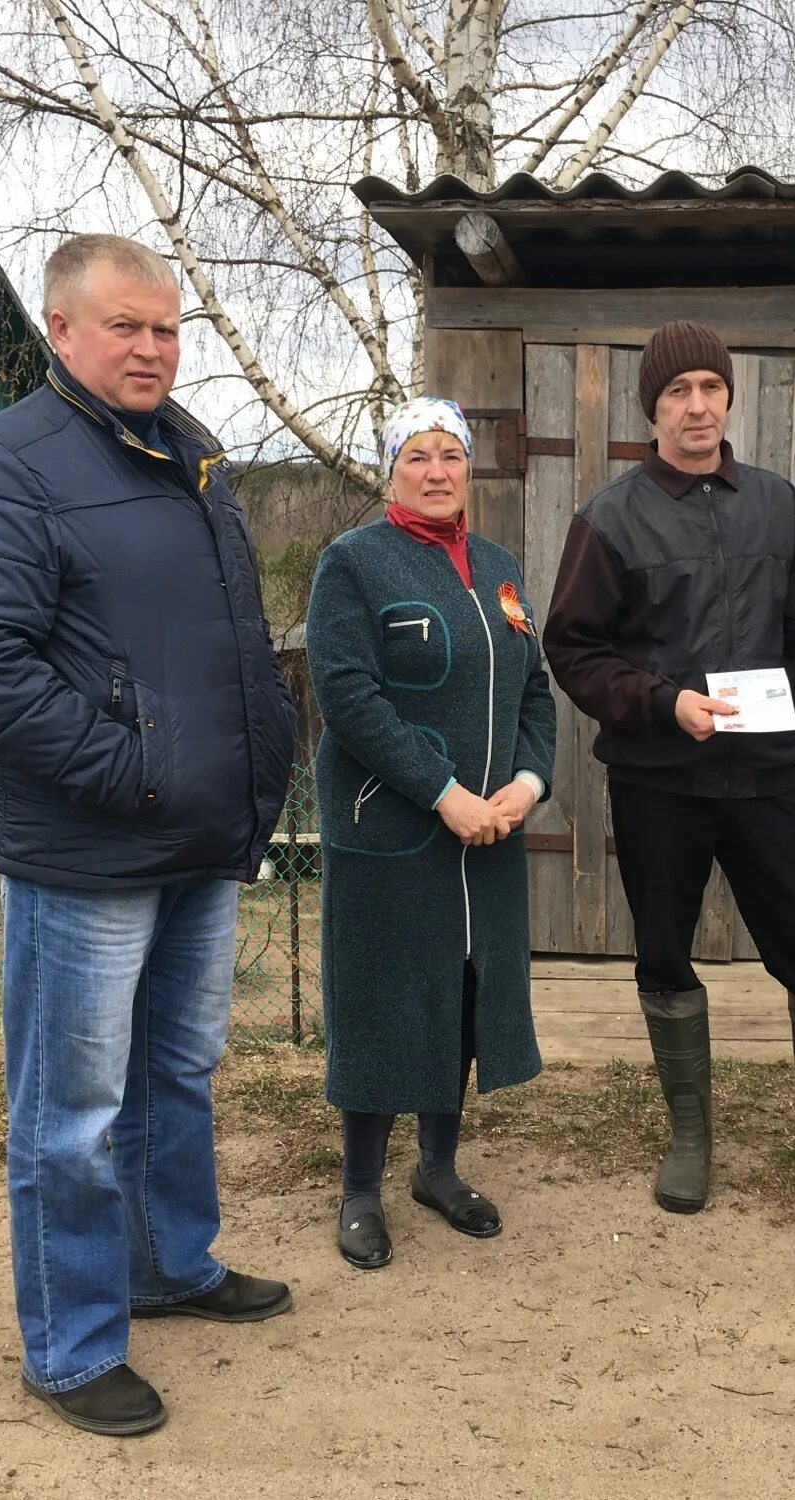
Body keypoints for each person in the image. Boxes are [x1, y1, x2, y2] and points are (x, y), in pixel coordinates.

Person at [0, 233, 299, 1436]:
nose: (150, 348)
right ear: (61, 328)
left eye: (166, 329)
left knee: (174, 1076)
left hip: (197, 837)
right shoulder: (2, 467)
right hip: (90, 850)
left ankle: (166, 1266)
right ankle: (72, 1349)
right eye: (125, 326)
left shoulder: (188, 457)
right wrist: (128, 773)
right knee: (71, 1114)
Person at [543, 321, 795, 1215]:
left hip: (764, 779)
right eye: (677, 392)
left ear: (728, 397)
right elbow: (573, 649)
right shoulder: (609, 517)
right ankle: (690, 1137)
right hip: (656, 781)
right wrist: (660, 702)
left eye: (709, 388)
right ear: (654, 409)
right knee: (665, 958)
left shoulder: (776, 505)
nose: (696, 407)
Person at [305, 398, 557, 1271]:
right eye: (418, 455)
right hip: (393, 828)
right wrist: (445, 792)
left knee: (460, 993)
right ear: (390, 471)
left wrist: (526, 784)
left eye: (452, 454)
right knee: (382, 999)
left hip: (488, 835)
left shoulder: (498, 568)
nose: (439, 470)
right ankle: (361, 1189)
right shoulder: (353, 565)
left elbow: (535, 691)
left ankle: (438, 1170)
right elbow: (348, 697)